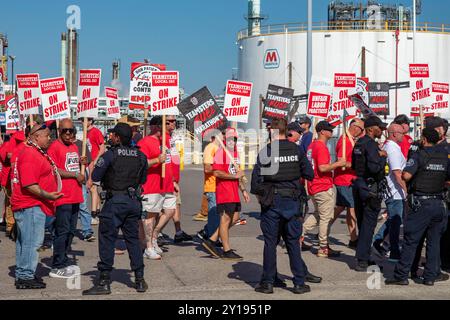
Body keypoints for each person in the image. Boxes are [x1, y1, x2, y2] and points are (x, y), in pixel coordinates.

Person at [82, 123, 148, 295]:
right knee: (133, 240)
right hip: (133, 202)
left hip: (115, 202)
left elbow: (96, 176)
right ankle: (139, 279)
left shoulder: (110, 155)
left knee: (107, 239)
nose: (110, 137)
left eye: (112, 135)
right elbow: (143, 179)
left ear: (118, 137)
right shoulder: (141, 156)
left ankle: (104, 280)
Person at [251, 118, 314, 294]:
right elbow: (309, 174)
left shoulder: (266, 152)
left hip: (272, 202)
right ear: (286, 131)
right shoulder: (296, 150)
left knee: (270, 242)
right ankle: (299, 283)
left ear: (272, 132)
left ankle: (268, 282)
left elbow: (255, 184)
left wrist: (262, 196)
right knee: (293, 242)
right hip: (292, 202)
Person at [386, 128, 450, 286]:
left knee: (411, 241)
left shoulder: (419, 154)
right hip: (439, 203)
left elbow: (406, 175)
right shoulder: (445, 157)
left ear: (424, 139)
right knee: (434, 242)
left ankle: (401, 275)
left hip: (421, 203)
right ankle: (429, 277)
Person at [11, 124, 63, 289]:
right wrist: (48, 195)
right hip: (30, 205)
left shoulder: (34, 152)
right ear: (36, 137)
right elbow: (29, 184)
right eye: (47, 136)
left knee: (26, 241)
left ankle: (24, 273)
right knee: (31, 242)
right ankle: (25, 276)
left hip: (31, 205)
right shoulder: (30, 154)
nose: (50, 138)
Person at [201, 128, 250, 261]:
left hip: (234, 192)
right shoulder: (220, 153)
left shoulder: (234, 154)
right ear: (224, 140)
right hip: (224, 191)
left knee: (235, 218)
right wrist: (234, 176)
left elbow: (237, 173)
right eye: (229, 139)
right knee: (225, 219)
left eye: (234, 139)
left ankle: (212, 239)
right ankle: (227, 250)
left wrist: (243, 190)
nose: (231, 141)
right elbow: (216, 172)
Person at [47, 119, 86, 278]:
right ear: (59, 131)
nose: (69, 133)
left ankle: (63, 258)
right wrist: (75, 175)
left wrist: (83, 162)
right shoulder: (54, 147)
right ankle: (57, 264)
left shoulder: (76, 147)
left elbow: (77, 167)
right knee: (61, 231)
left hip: (75, 195)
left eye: (72, 130)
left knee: (70, 231)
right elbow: (54, 170)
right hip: (62, 195)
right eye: (65, 130)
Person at [303, 121, 346, 258]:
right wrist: (339, 163)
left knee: (318, 215)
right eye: (329, 129)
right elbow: (322, 167)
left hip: (314, 185)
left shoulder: (312, 145)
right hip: (322, 185)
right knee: (326, 218)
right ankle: (323, 247)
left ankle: (298, 233)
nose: (332, 132)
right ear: (322, 131)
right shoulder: (320, 147)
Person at [352, 116, 388, 272]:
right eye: (379, 127)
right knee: (368, 224)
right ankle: (362, 260)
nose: (381, 130)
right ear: (371, 129)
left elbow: (354, 165)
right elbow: (374, 168)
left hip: (359, 185)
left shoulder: (359, 143)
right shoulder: (371, 145)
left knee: (362, 223)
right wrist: (382, 157)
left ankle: (364, 256)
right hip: (370, 187)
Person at [138, 116, 177, 260]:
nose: (166, 126)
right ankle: (148, 246)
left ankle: (154, 236)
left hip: (166, 183)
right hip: (152, 184)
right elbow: (140, 164)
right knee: (150, 216)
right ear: (154, 126)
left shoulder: (165, 140)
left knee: (170, 210)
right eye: (163, 124)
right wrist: (156, 160)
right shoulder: (144, 142)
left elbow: (170, 161)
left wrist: (173, 180)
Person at [372, 123, 407, 262]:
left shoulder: (391, 147)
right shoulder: (392, 148)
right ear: (394, 134)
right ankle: (393, 251)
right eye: (401, 133)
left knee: (394, 220)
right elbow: (397, 173)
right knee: (395, 222)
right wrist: (407, 190)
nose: (403, 135)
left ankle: (378, 242)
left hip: (394, 191)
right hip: (395, 192)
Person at [333, 118, 365, 249]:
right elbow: (341, 162)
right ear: (355, 127)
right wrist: (359, 165)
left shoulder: (350, 140)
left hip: (349, 179)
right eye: (362, 129)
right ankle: (353, 238)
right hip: (345, 179)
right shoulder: (345, 141)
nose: (362, 132)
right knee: (351, 209)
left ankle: (322, 227)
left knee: (341, 208)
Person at [166, 115, 192, 243]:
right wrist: (171, 179)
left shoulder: (172, 137)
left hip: (175, 179)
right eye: (170, 121)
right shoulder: (163, 138)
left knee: (176, 205)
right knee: (166, 208)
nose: (173, 123)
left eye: (174, 120)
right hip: (168, 180)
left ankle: (178, 232)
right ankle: (155, 233)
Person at [72, 127, 95, 242]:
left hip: (81, 180)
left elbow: (90, 164)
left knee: (83, 206)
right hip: (67, 180)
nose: (68, 134)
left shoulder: (82, 145)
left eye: (70, 131)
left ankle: (87, 231)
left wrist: (90, 178)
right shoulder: (61, 145)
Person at [196, 134, 220, 244]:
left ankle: (205, 232)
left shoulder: (221, 148)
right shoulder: (211, 147)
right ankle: (212, 239)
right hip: (212, 186)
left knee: (222, 214)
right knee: (214, 214)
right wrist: (222, 168)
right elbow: (207, 168)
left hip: (221, 186)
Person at [86, 118, 106, 220]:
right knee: (94, 189)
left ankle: (93, 214)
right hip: (88, 163)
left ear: (90, 121)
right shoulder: (85, 132)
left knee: (93, 187)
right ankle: (98, 210)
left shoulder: (96, 131)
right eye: (81, 120)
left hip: (94, 163)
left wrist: (95, 160)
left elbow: (102, 148)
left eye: (84, 120)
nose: (82, 122)